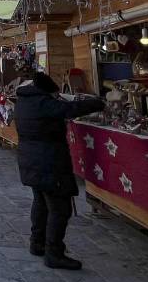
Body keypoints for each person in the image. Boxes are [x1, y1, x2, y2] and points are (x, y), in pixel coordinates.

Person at [14, 72, 105, 270]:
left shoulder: (24, 100)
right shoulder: (44, 103)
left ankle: (37, 243)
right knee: (59, 208)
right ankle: (54, 252)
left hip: (31, 160)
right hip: (48, 161)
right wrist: (98, 103)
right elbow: (69, 109)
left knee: (41, 202)